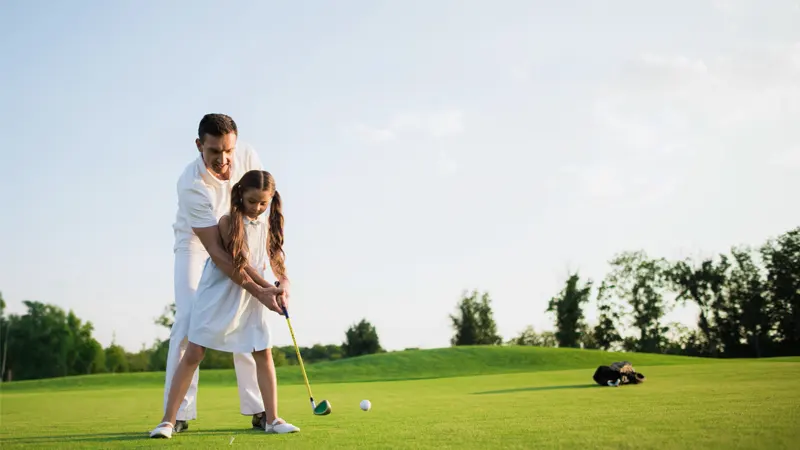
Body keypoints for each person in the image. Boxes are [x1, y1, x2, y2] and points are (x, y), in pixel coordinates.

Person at [165, 113, 291, 433]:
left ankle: (260, 410)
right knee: (187, 319)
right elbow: (218, 252)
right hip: (197, 243)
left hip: (244, 235)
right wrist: (260, 290)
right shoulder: (190, 184)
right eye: (214, 152)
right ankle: (177, 414)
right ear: (199, 146)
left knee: (246, 318)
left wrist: (278, 280)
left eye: (228, 150)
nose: (223, 159)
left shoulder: (248, 156)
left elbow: (264, 220)